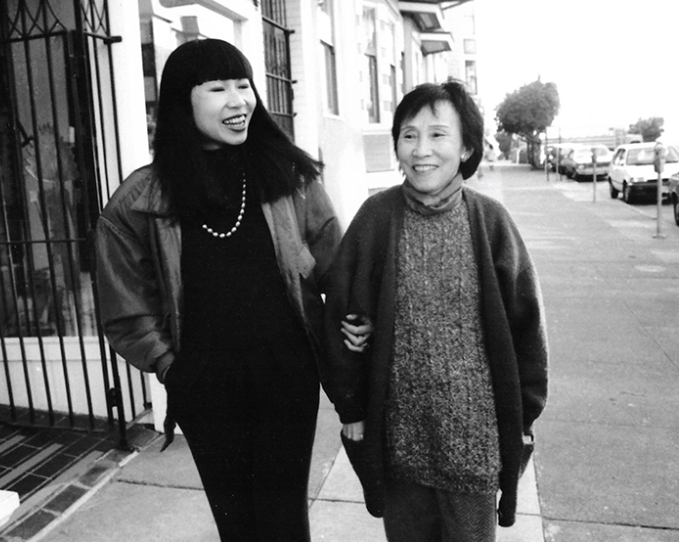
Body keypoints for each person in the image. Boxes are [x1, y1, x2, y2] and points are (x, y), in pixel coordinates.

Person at [95, 39, 354, 542]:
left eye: (243, 84)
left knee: (283, 524)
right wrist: (171, 367)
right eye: (218, 88)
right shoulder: (138, 201)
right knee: (237, 526)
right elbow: (125, 308)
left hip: (286, 375)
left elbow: (336, 269)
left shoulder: (288, 177)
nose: (239, 100)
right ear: (181, 101)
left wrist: (353, 320)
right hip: (205, 386)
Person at [320, 80, 549, 542]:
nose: (421, 149)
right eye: (409, 135)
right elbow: (341, 313)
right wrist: (351, 406)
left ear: (466, 147)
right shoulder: (376, 218)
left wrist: (524, 418)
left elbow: (528, 328)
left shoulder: (491, 222)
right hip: (399, 439)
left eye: (438, 135)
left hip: (475, 443)